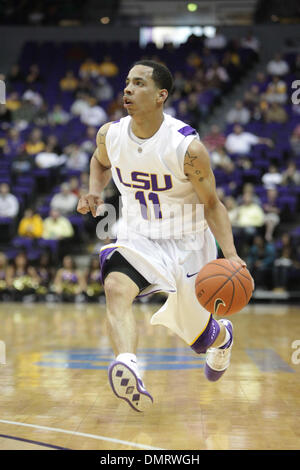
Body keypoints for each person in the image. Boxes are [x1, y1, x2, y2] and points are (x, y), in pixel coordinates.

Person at [77, 60, 253, 412]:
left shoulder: (187, 149)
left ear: (161, 96)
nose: (127, 89)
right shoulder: (110, 135)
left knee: (200, 339)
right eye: (127, 82)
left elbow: (213, 204)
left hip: (187, 242)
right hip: (137, 234)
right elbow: (100, 161)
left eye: (138, 84)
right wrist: (95, 190)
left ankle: (222, 336)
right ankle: (127, 362)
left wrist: (230, 255)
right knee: (115, 286)